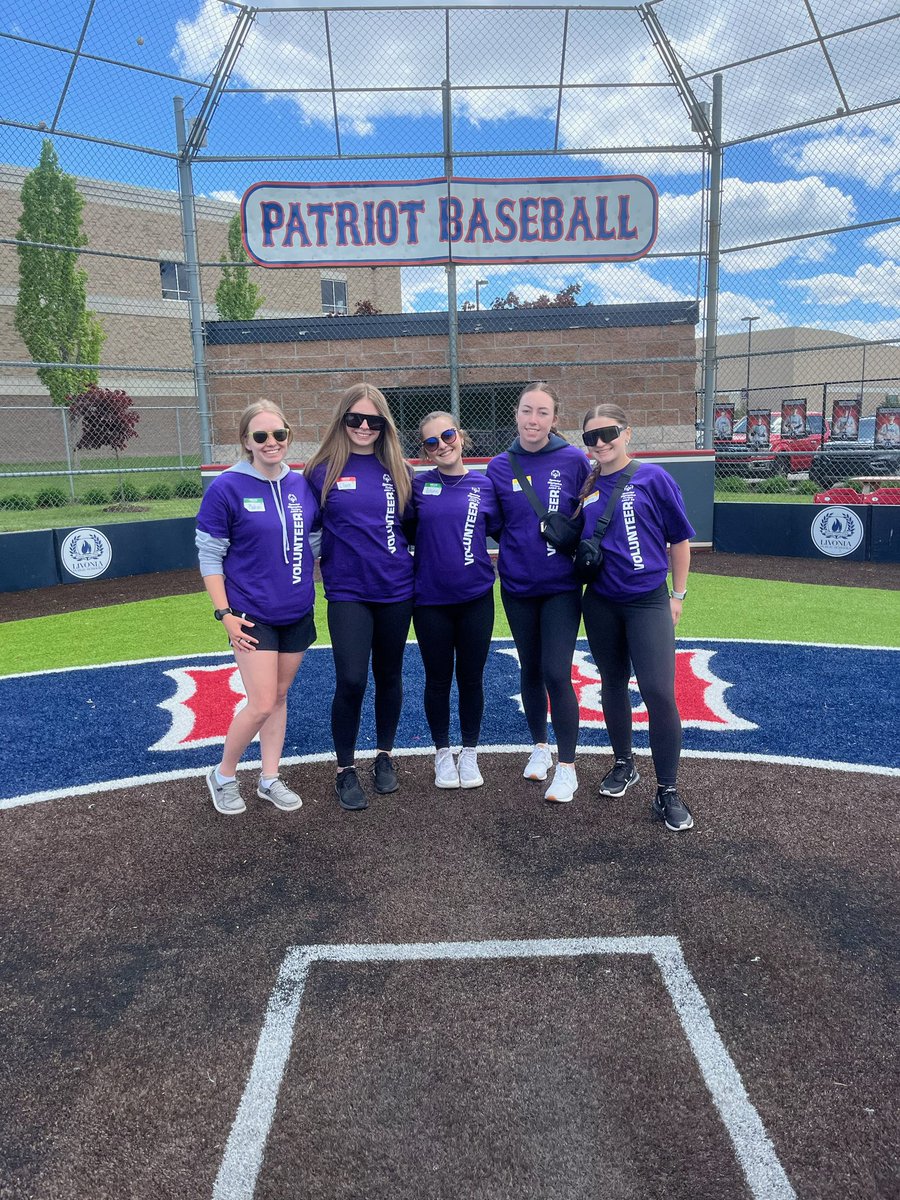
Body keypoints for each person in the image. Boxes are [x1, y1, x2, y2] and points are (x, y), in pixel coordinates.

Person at [195, 400, 319, 815]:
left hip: (297, 611)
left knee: (280, 696)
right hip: (250, 614)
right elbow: (210, 556)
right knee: (262, 701)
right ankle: (223, 775)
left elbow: (314, 544)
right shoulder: (226, 487)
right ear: (246, 441)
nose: (271, 442)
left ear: (288, 435)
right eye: (260, 436)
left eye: (278, 434)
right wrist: (224, 614)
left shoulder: (301, 485)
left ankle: (269, 777)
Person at [578, 403, 696, 832]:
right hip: (602, 602)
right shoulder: (586, 485)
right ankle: (624, 763)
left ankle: (667, 790)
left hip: (648, 600)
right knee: (611, 683)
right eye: (591, 437)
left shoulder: (653, 477)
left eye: (607, 432)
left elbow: (679, 539)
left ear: (627, 433)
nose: (601, 442)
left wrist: (677, 595)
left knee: (658, 692)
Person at [305, 383, 414, 812]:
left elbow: (414, 528)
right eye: (355, 419)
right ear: (342, 420)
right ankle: (344, 768)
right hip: (348, 591)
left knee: (390, 676)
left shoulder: (399, 469)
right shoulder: (321, 470)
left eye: (374, 420)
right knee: (351, 679)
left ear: (384, 424)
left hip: (395, 588)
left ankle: (384, 755)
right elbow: (299, 527)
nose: (364, 427)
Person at [485, 382, 590, 803]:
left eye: (542, 412)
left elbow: (586, 516)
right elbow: (495, 524)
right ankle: (540, 747)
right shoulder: (497, 466)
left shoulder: (574, 460)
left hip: (562, 587)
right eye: (527, 410)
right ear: (516, 413)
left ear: (554, 419)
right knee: (529, 668)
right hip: (517, 586)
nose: (533, 420)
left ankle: (568, 767)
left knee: (556, 672)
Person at [411, 412, 500, 789]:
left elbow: (504, 532)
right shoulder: (416, 487)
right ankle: (442, 754)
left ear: (460, 436)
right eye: (432, 442)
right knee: (437, 679)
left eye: (447, 435)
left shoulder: (485, 485)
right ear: (426, 452)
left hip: (475, 597)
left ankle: (470, 752)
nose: (442, 445)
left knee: (471, 678)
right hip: (429, 600)